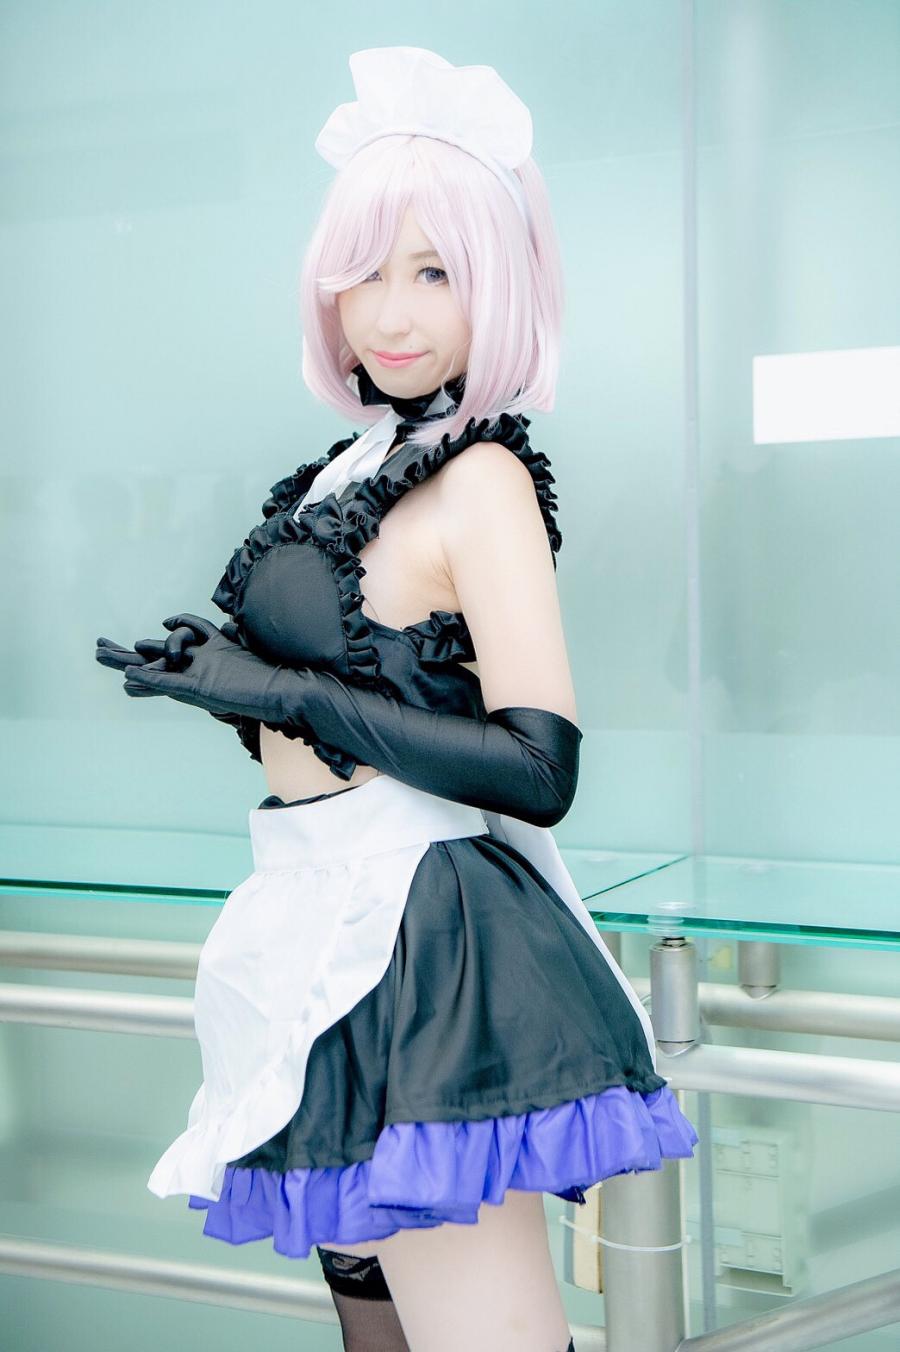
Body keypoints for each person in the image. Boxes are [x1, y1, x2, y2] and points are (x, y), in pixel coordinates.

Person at [95, 46, 699, 1352]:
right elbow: (352, 698)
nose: (390, 311)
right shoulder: (350, 467)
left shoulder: (481, 478)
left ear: (501, 285)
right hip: (317, 919)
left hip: (432, 944)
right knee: (376, 1326)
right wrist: (225, 686)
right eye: (366, 271)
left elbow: (537, 768)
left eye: (435, 272)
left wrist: (285, 689)